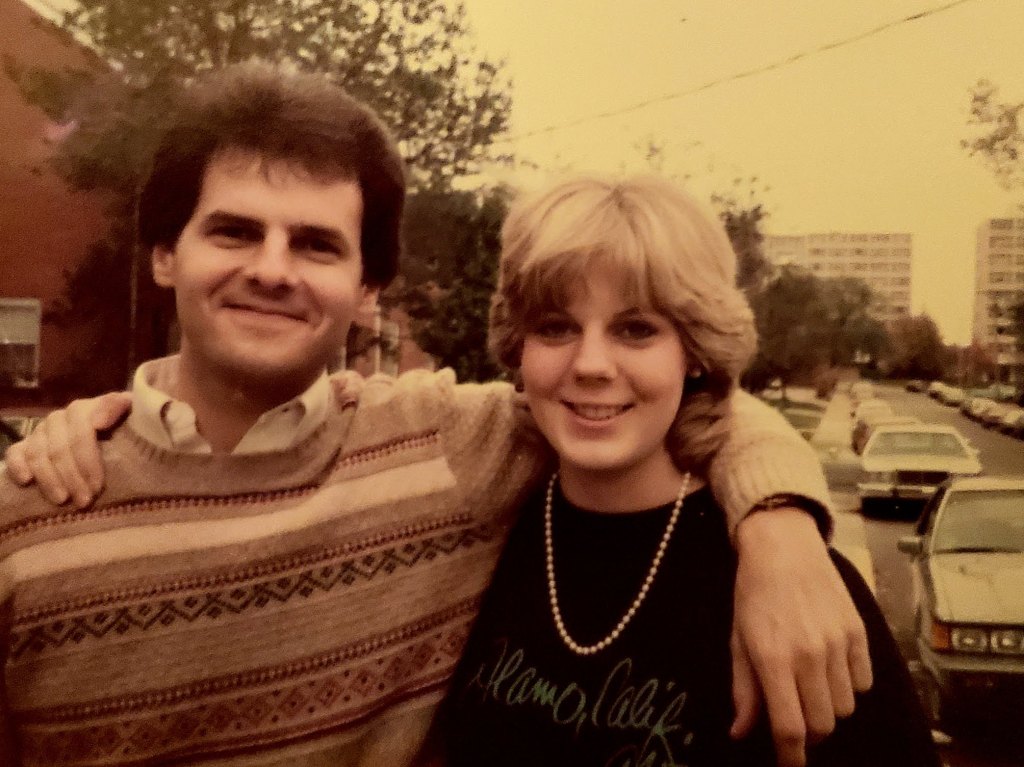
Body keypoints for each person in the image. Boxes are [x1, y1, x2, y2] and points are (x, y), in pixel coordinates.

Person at [2, 62, 865, 767]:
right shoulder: (29, 509)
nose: (271, 269)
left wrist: (780, 531)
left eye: (316, 243)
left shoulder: (445, 444)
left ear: (367, 289)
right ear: (164, 254)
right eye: (234, 231)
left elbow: (672, 400)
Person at [438, 176, 938, 766]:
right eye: (555, 326)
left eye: (636, 329)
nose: (592, 364)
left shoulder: (792, 583)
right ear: (518, 347)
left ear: (695, 351)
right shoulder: (479, 532)